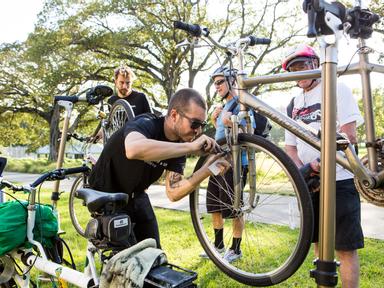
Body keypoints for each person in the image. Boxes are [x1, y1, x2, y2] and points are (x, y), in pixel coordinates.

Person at [89, 88, 230, 248]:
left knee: (155, 256)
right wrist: (190, 147)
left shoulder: (179, 146)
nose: (198, 131)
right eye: (195, 124)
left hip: (136, 196)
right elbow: (133, 149)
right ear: (175, 115)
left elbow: (173, 192)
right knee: (127, 261)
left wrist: (207, 170)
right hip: (107, 196)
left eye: (202, 125)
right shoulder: (147, 122)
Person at [282, 44, 364, 288]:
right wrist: (305, 173)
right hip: (313, 184)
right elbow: (291, 148)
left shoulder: (337, 88)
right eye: (294, 69)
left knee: (345, 249)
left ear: (315, 64)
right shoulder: (294, 102)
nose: (300, 73)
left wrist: (322, 163)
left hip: (340, 180)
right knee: (319, 244)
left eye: (303, 65)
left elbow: (349, 135)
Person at [200, 67, 253, 263]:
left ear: (232, 81)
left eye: (220, 81)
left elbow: (250, 129)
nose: (217, 86)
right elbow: (223, 138)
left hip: (236, 164)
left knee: (234, 208)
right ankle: (218, 245)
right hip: (218, 162)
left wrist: (231, 122)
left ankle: (236, 249)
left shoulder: (241, 104)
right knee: (214, 205)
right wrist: (216, 122)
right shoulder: (225, 106)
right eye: (215, 83)